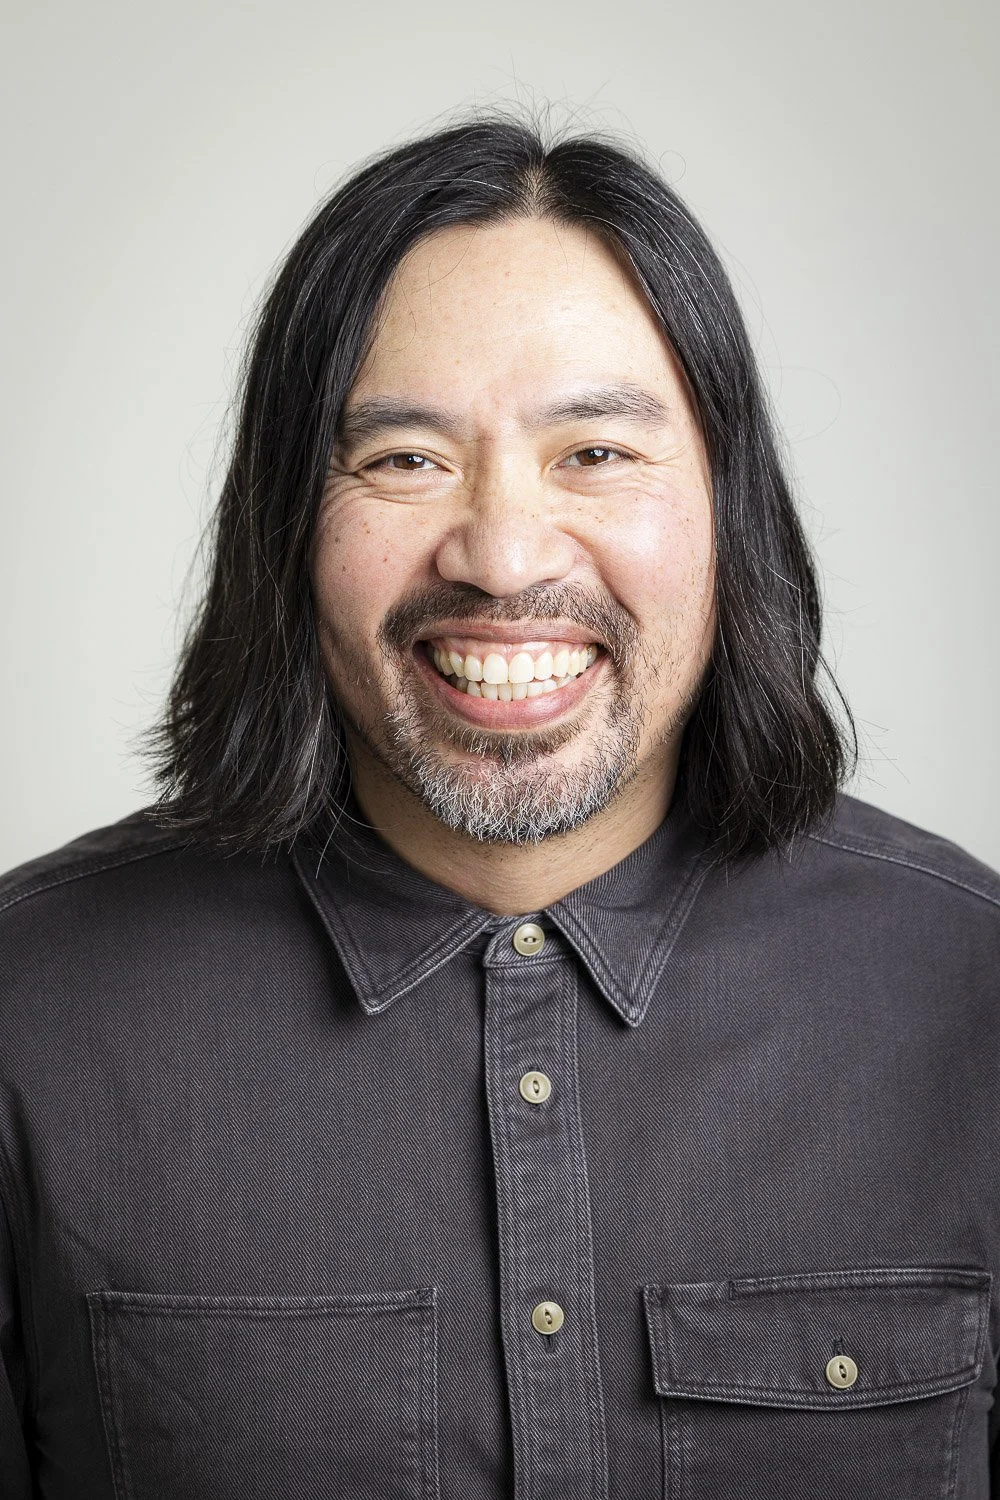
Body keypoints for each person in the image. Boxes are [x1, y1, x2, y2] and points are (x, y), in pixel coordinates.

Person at [0, 110, 997, 1500]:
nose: (502, 554)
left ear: (729, 510)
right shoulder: (28, 1013)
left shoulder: (972, 993)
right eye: (404, 460)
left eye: (595, 452)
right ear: (285, 521)